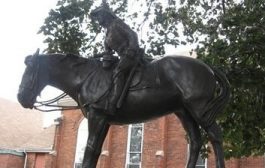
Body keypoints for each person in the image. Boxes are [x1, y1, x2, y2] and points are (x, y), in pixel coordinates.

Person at [90, 3, 143, 114]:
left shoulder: (117, 23)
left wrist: (131, 50)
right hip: (122, 56)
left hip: (131, 54)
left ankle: (112, 103)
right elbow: (108, 52)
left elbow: (132, 35)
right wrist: (100, 57)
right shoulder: (107, 35)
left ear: (105, 15)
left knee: (118, 71)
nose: (98, 19)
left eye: (99, 16)